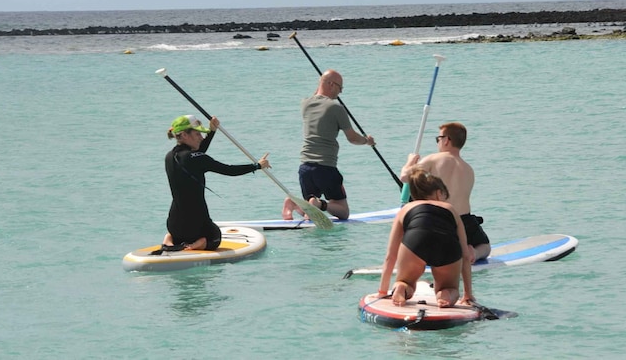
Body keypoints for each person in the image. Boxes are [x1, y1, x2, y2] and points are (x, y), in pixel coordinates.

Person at [162, 114, 270, 251]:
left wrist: (212, 131)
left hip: (174, 225)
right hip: (196, 225)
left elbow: (196, 155)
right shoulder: (196, 159)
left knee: (179, 233)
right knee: (215, 237)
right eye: (197, 134)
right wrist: (257, 166)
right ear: (184, 135)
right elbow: (229, 170)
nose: (201, 138)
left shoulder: (169, 157)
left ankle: (169, 239)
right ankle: (200, 242)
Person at [282, 69, 375, 221]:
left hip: (305, 168)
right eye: (340, 88)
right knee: (343, 212)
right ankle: (319, 204)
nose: (341, 93)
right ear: (331, 85)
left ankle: (293, 204)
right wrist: (367, 140)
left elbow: (317, 93)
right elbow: (352, 138)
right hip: (326, 167)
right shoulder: (336, 108)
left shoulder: (305, 103)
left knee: (310, 215)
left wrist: (323, 83)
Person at [378, 169, 475, 308]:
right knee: (450, 288)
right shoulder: (450, 209)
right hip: (446, 246)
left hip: (416, 242)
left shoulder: (406, 209)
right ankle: (446, 294)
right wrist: (468, 294)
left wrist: (382, 291)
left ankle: (402, 288)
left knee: (406, 282)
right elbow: (465, 254)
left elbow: (390, 256)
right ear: (439, 193)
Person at [400, 122, 491, 261]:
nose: (438, 142)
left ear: (447, 140)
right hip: (464, 221)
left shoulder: (434, 158)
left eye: (439, 138)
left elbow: (405, 177)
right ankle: (474, 253)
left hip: (441, 219)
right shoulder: (468, 169)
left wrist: (410, 161)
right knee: (485, 246)